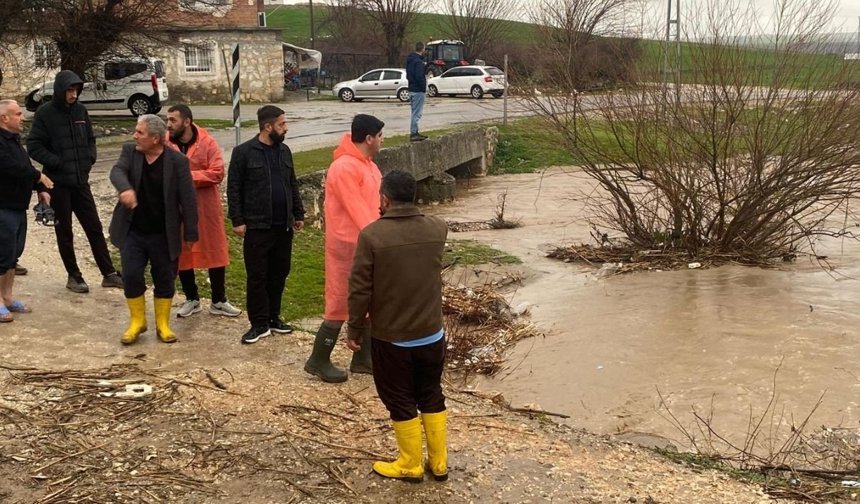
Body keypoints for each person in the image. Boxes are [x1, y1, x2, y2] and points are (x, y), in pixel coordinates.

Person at [347, 170, 449, 482]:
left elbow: (360, 289)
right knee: (431, 392)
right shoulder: (438, 228)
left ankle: (410, 463)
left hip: (393, 338)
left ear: (385, 198)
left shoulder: (373, 236)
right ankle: (439, 463)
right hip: (432, 333)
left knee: (399, 397)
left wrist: (354, 329)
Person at [304, 114, 384, 383]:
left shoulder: (369, 166)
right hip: (347, 245)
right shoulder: (344, 168)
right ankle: (318, 360)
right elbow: (358, 210)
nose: (383, 141)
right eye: (380, 136)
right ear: (369, 138)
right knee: (339, 302)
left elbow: (375, 207)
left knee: (370, 300)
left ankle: (363, 359)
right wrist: (380, 237)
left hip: (366, 243)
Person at [26, 70, 123, 294]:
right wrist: (56, 162)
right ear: (60, 91)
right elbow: (34, 146)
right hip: (58, 184)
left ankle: (108, 273)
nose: (73, 94)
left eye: (76, 90)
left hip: (81, 181)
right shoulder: (45, 114)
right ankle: (74, 275)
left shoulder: (80, 111)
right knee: (65, 232)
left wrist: (90, 158)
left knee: (94, 227)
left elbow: (90, 139)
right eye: (69, 90)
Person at [108, 115, 198, 345]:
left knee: (165, 278)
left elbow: (188, 198)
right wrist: (125, 189)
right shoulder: (130, 152)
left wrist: (190, 233)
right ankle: (137, 322)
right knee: (131, 275)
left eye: (140, 133)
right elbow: (117, 171)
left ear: (156, 138)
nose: (134, 136)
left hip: (163, 234)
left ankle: (163, 324)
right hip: (133, 231)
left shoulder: (177, 161)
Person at [227, 105, 305, 345]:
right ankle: (258, 323)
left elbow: (291, 183)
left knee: (279, 273)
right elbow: (234, 188)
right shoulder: (244, 153)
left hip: (283, 226)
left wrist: (298, 212)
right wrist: (237, 220)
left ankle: (273, 318)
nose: (286, 128)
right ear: (267, 126)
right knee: (257, 276)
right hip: (257, 226)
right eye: (281, 124)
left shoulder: (285, 151)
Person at [165, 104, 241, 318]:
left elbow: (217, 173)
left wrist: (187, 178)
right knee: (183, 251)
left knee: (214, 249)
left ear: (187, 121)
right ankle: (192, 298)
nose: (168, 124)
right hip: (177, 207)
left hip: (205, 207)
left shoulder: (207, 142)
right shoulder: (164, 143)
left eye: (173, 120)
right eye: (168, 120)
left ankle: (218, 300)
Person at [0, 99, 52, 322]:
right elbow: (10, 167)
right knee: (2, 256)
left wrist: (40, 188)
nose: (23, 118)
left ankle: (8, 297)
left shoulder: (13, 140)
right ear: (4, 118)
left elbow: (25, 167)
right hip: (3, 207)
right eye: (18, 114)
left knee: (13, 255)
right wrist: (38, 176)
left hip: (18, 207)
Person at [405, 41, 428, 142]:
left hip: (411, 88)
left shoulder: (410, 60)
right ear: (422, 49)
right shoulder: (418, 62)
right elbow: (419, 76)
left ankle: (415, 131)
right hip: (418, 90)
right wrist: (423, 87)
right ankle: (414, 133)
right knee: (417, 113)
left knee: (414, 112)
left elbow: (408, 75)